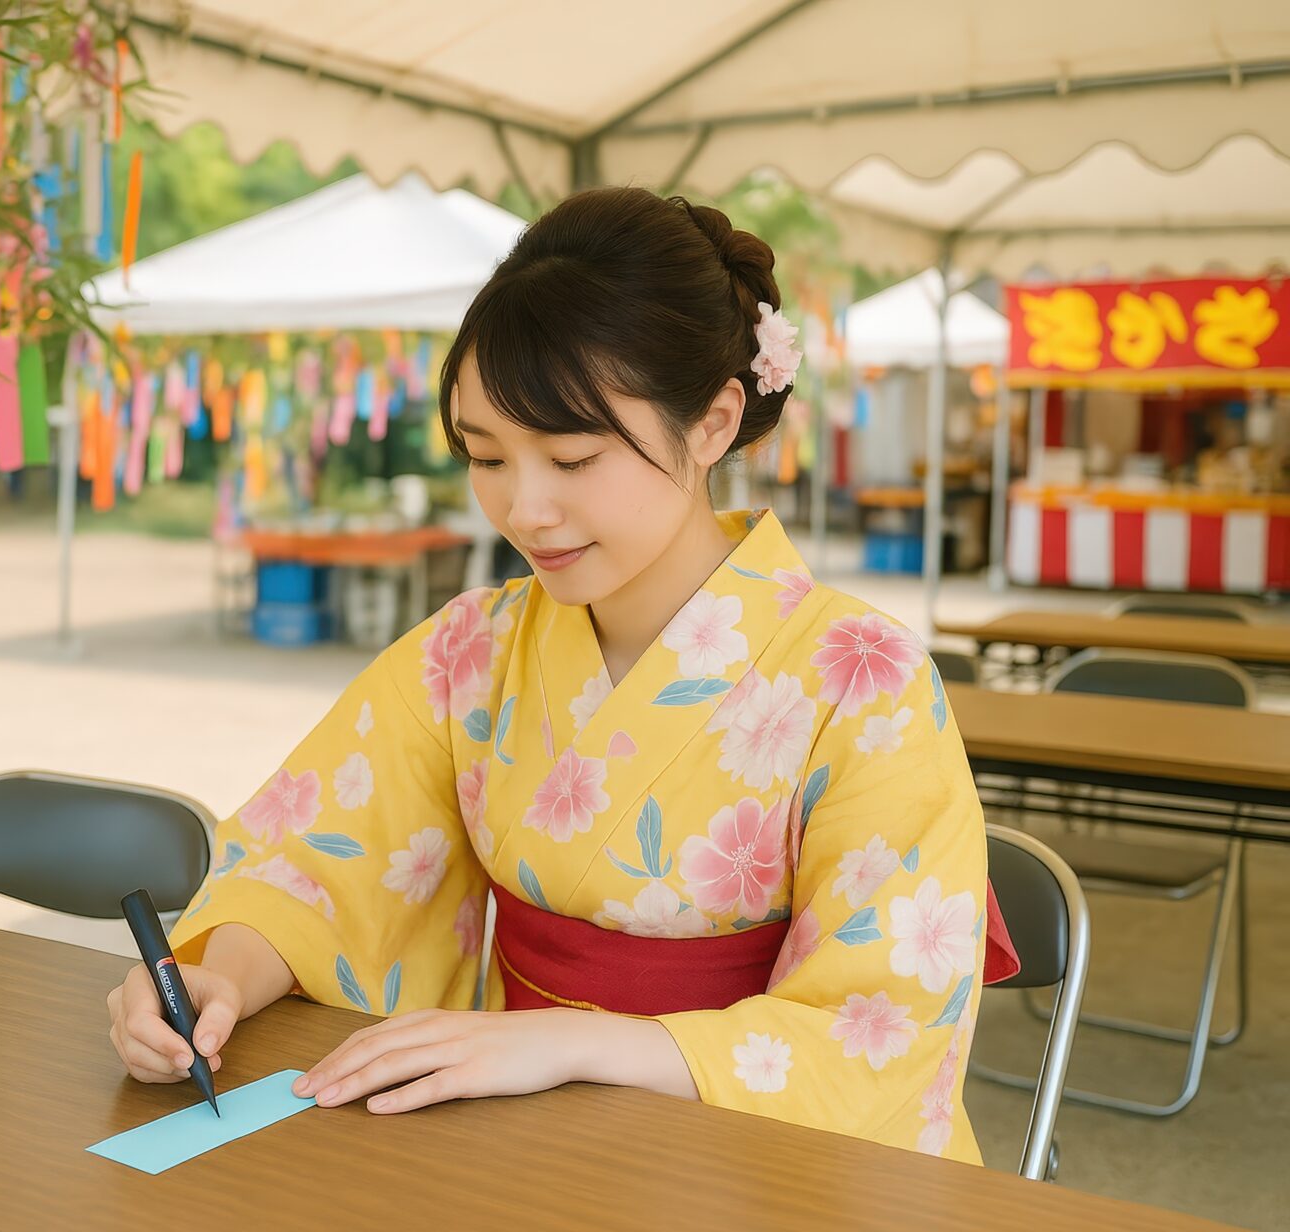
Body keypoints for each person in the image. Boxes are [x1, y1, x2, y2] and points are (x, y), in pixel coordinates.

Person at [106, 187, 1017, 1161]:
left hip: (758, 1161)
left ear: (712, 423)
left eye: (573, 456)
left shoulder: (865, 682)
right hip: (520, 1131)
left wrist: (580, 1041)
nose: (525, 508)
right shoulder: (471, 651)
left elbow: (877, 1024)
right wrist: (223, 976)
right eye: (487, 455)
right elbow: (326, 858)